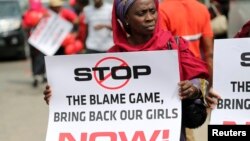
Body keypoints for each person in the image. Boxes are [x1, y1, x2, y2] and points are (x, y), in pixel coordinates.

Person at [44, 0, 209, 141]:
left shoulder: (174, 45)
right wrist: (59, 96)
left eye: (152, 11)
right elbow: (91, 100)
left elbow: (198, 79)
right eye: (141, 13)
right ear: (126, 19)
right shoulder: (114, 57)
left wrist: (193, 89)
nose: (150, 18)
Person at [159, 1, 214, 140]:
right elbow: (209, 53)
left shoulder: (162, 10)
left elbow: (161, 48)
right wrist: (207, 89)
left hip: (176, 83)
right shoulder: (201, 9)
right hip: (196, 76)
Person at [22, 0, 49, 87]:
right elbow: (25, 26)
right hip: (34, 40)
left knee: (40, 57)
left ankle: (41, 75)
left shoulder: (43, 12)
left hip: (42, 40)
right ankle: (37, 75)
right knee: (37, 57)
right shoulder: (29, 13)